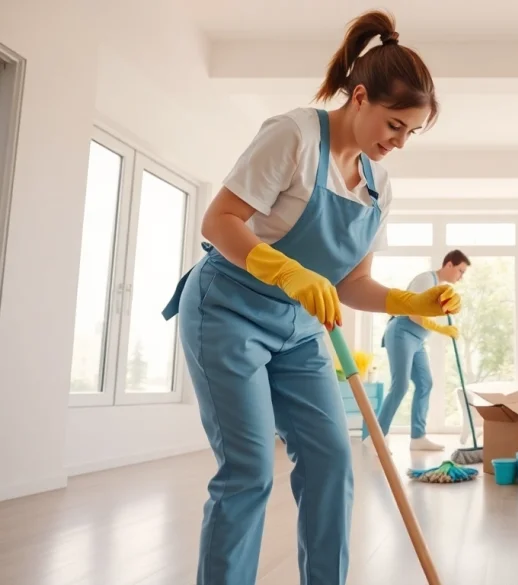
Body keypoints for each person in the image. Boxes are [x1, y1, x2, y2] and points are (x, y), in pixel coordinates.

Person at [159, 10, 459, 585]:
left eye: (409, 134)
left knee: (331, 462)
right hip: (227, 309)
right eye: (395, 125)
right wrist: (288, 272)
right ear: (361, 96)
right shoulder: (294, 135)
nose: (398, 143)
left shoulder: (378, 185)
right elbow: (220, 220)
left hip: (298, 330)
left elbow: (353, 284)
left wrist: (414, 303)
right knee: (248, 470)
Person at [365, 250, 471, 451]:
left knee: (425, 383)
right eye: (460, 271)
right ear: (449, 265)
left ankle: (418, 437)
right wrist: (442, 329)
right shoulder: (426, 279)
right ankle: (375, 438)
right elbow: (413, 313)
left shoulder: (438, 287)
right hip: (402, 332)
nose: (461, 276)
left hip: (418, 339)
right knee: (400, 385)